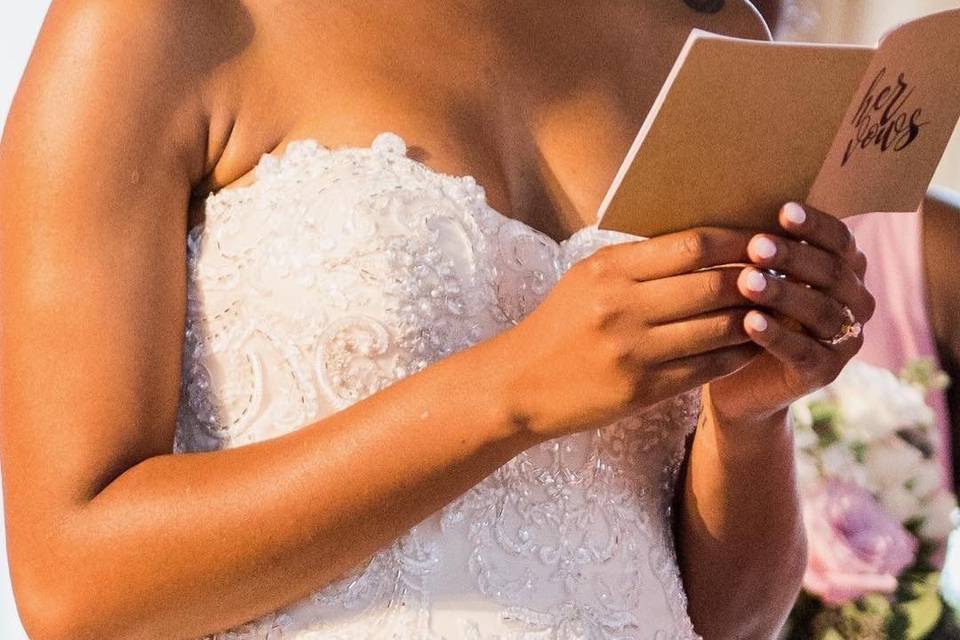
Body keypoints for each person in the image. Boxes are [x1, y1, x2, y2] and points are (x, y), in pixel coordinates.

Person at [0, 1, 873, 638]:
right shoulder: (165, 21)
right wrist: (515, 389)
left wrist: (751, 421)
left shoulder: (709, 42)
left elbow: (732, 624)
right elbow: (74, 585)